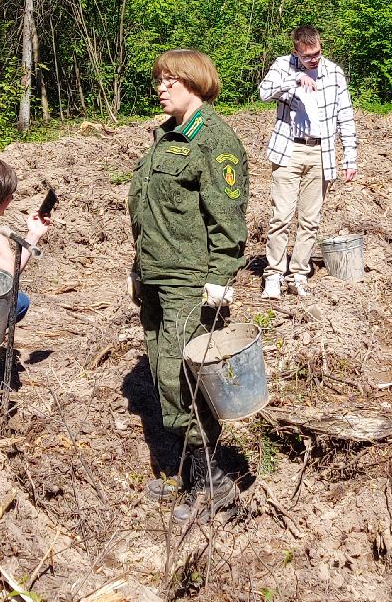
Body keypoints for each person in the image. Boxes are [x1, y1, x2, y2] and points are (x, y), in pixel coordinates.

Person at [129, 49, 250, 521]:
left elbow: (228, 221)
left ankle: (213, 483)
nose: (160, 88)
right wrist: (138, 268)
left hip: (190, 279)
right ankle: (187, 475)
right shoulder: (165, 137)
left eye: (168, 81)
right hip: (157, 274)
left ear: (194, 84)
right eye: (158, 80)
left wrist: (219, 280)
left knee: (186, 376)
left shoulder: (215, 141)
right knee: (164, 374)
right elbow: (147, 208)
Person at [256, 25, 359, 300]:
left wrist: (350, 156)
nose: (313, 59)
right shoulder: (283, 66)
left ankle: (298, 273)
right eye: (307, 56)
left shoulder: (334, 73)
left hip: (320, 152)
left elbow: (345, 115)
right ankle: (274, 274)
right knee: (281, 216)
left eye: (317, 54)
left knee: (310, 219)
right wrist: (295, 79)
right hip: (289, 150)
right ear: (296, 52)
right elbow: (264, 93)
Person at [0, 157, 52, 323]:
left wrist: (34, 234)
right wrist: (1, 240)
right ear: (0, 198)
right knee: (19, 302)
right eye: (10, 195)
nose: (12, 199)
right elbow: (10, 274)